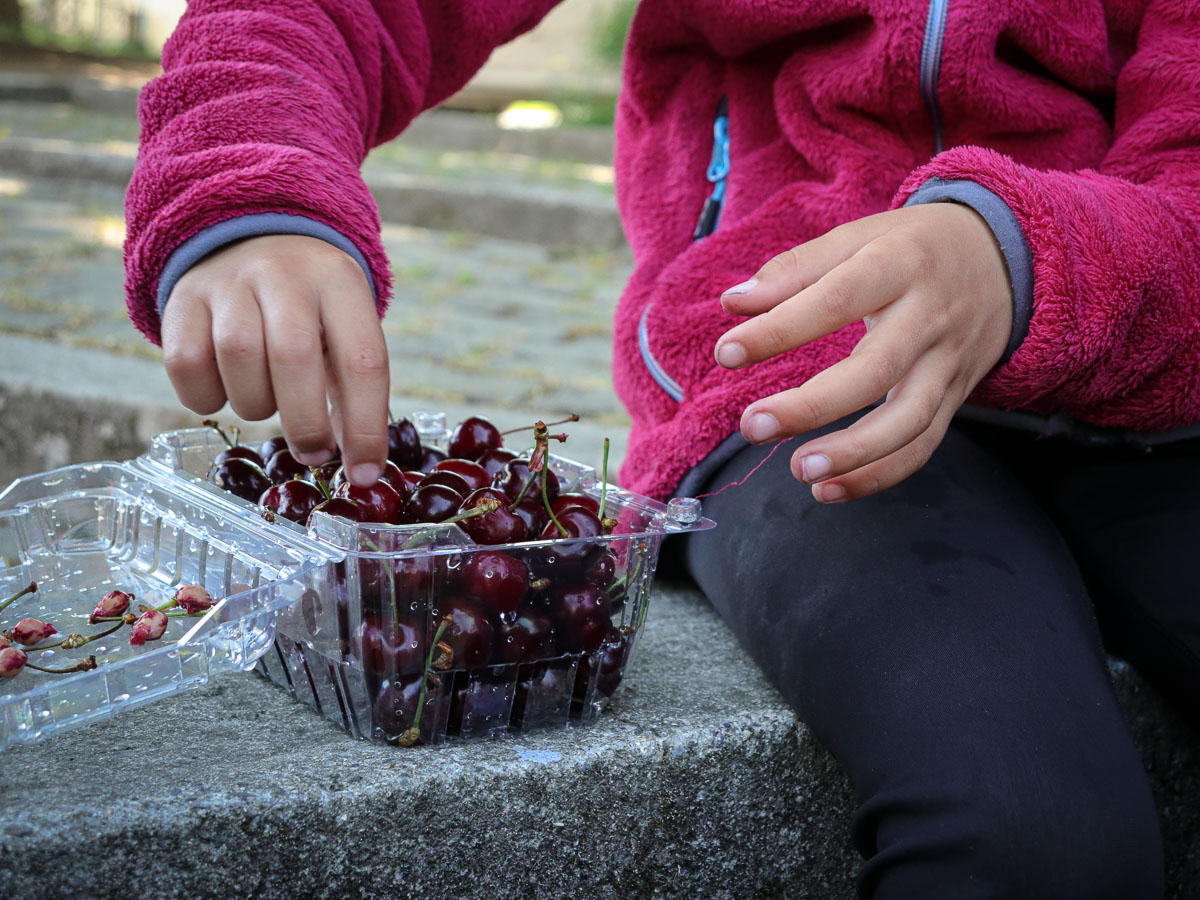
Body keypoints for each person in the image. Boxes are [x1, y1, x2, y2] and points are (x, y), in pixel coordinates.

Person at [123, 2, 1200, 896]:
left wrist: (1022, 256)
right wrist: (247, 178)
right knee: (1029, 833)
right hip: (787, 385)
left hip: (1160, 374)